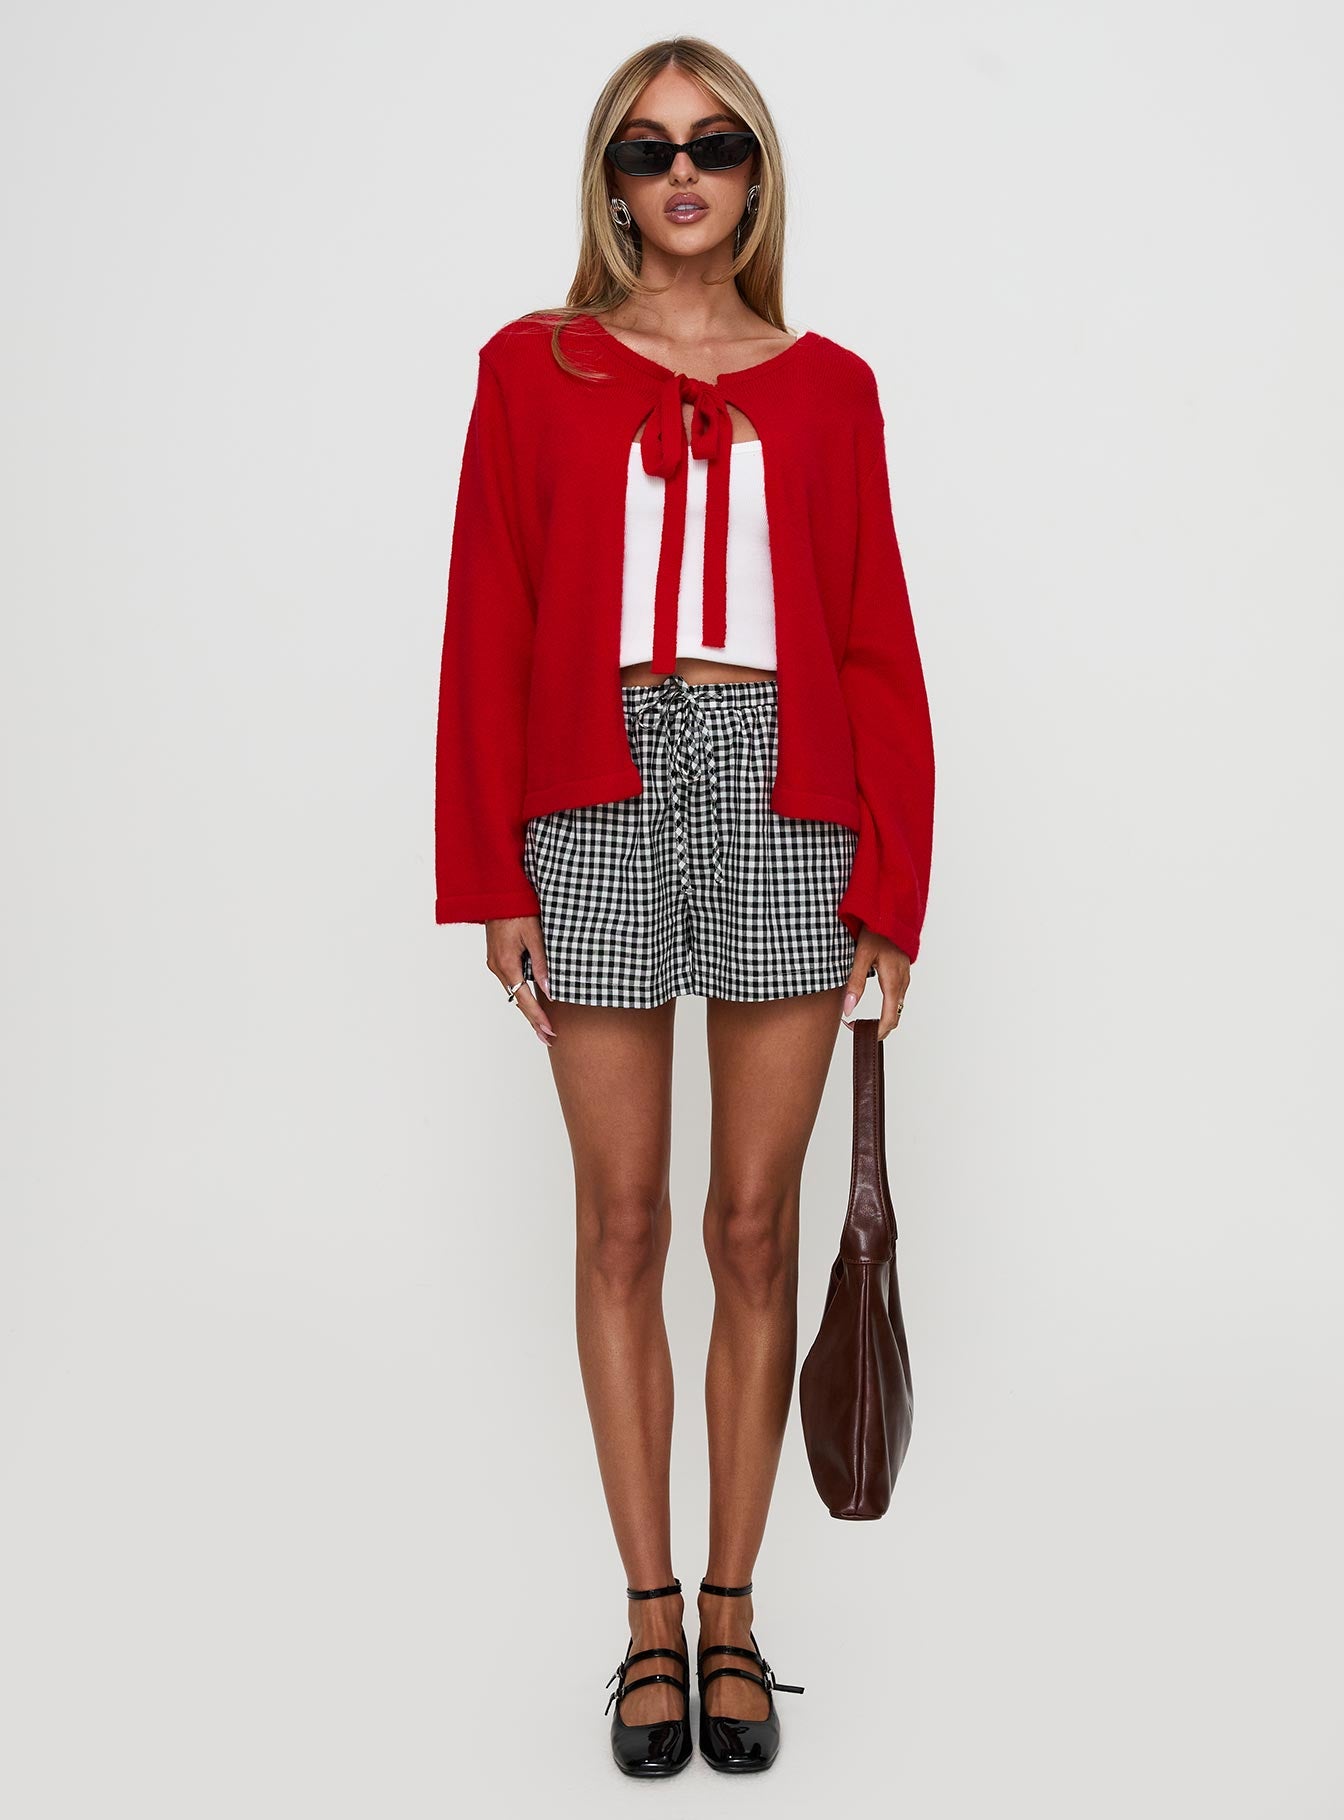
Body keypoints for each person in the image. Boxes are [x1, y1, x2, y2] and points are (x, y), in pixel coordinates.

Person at [433, 35, 935, 1777]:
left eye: (715, 145)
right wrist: (490, 870)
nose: (683, 175)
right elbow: (489, 614)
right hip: (594, 787)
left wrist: (894, 882)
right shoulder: (533, 368)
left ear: (755, 172)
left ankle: (736, 1611)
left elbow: (872, 634)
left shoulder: (832, 387)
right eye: (648, 152)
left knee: (750, 1228)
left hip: (789, 792)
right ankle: (647, 1618)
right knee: (622, 1223)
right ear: (612, 183)